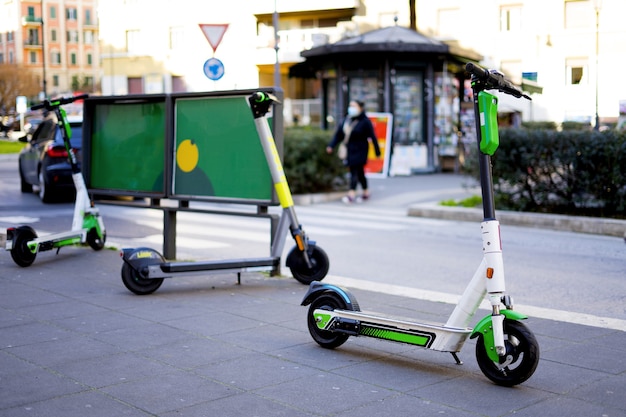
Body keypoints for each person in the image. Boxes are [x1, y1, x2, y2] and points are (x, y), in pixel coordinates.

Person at [326, 100, 381, 203]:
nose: (351, 108)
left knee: (354, 171)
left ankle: (351, 194)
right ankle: (365, 192)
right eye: (350, 105)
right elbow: (338, 135)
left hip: (361, 150)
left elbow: (373, 137)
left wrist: (377, 152)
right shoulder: (346, 120)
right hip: (349, 150)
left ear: (360, 107)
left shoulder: (365, 121)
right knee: (359, 172)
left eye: (354, 106)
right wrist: (331, 146)